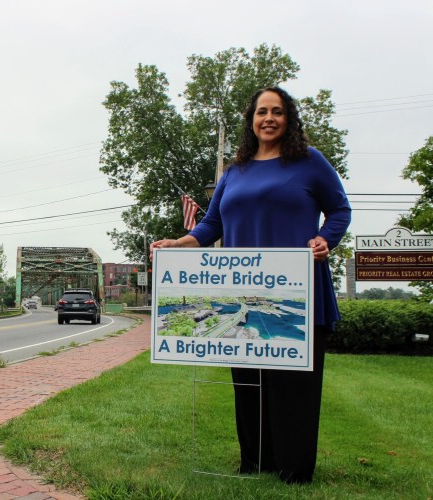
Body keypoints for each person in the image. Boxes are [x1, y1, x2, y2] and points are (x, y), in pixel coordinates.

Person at [150, 87, 351, 484]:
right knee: (249, 381)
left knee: (293, 384)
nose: (269, 119)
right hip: (240, 291)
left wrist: (325, 238)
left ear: (288, 118)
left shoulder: (309, 162)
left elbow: (340, 209)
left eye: (277, 111)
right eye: (262, 112)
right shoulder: (234, 171)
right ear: (252, 120)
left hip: (296, 291)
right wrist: (180, 243)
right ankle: (256, 461)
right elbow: (212, 224)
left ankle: (294, 470)